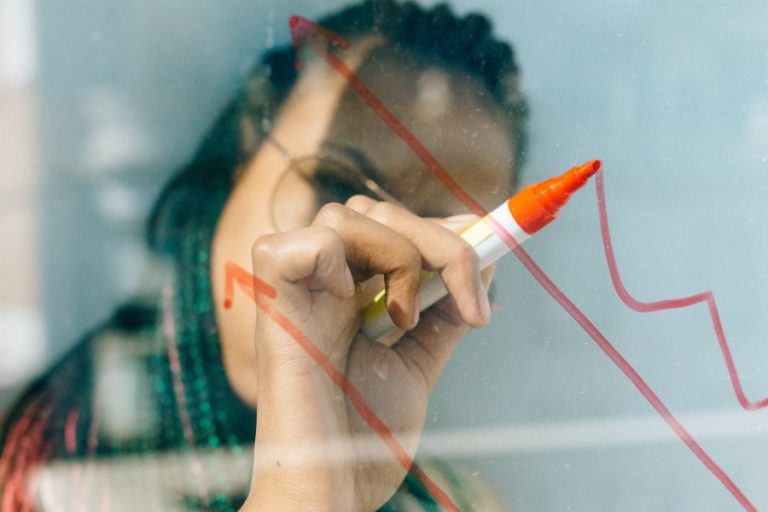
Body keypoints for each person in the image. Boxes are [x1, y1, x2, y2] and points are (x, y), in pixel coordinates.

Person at [0, 1, 527, 510]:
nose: (377, 265)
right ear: (243, 152)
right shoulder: (36, 460)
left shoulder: (459, 503)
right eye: (337, 186)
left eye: (436, 259)